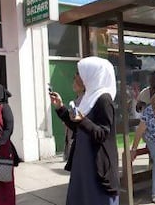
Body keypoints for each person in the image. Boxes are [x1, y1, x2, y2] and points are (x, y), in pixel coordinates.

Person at [49, 56, 119, 205]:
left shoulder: (104, 99)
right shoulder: (89, 97)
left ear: (93, 74)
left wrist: (83, 120)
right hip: (84, 160)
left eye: (80, 73)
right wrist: (61, 108)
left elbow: (103, 134)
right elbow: (78, 127)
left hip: (95, 163)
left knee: (95, 199)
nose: (76, 77)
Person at [63, 72, 85, 161]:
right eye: (74, 80)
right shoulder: (76, 100)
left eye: (77, 80)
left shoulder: (85, 100)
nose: (74, 83)